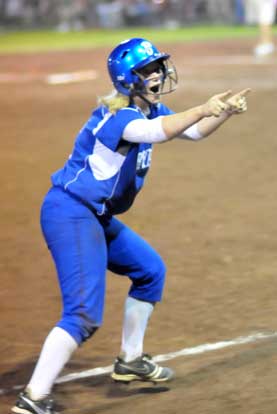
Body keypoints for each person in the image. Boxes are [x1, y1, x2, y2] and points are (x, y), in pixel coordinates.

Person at [12, 38, 250, 414]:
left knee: (150, 270)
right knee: (83, 314)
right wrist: (204, 106)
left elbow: (194, 131)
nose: (158, 75)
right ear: (128, 79)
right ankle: (33, 399)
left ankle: (130, 360)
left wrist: (223, 113)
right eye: (148, 71)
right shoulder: (121, 118)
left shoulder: (147, 110)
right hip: (71, 213)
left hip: (94, 215)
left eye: (158, 68)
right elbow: (161, 132)